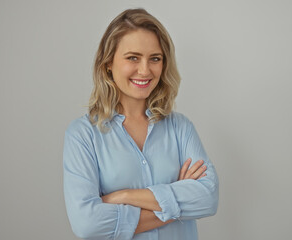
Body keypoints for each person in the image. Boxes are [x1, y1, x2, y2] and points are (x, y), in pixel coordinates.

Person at [63, 8, 219, 240]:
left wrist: (122, 196)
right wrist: (178, 203)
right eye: (133, 57)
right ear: (108, 63)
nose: (145, 70)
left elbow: (208, 198)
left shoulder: (180, 127)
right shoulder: (83, 135)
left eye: (155, 58)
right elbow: (88, 224)